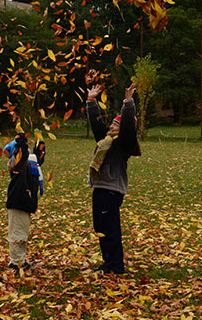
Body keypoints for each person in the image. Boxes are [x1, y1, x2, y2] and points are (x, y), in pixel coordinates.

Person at [86, 81, 141, 275]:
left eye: (116, 125)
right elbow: (96, 124)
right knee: (100, 227)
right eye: (113, 123)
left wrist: (128, 102)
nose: (111, 126)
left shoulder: (125, 144)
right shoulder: (106, 141)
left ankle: (116, 266)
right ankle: (108, 263)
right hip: (100, 187)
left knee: (110, 228)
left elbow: (127, 127)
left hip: (111, 190)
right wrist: (91, 100)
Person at [5, 133, 45, 270]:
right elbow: (21, 157)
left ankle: (20, 259)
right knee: (17, 233)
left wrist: (39, 149)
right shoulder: (17, 165)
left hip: (26, 202)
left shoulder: (30, 163)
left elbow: (37, 162)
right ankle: (15, 261)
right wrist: (20, 145)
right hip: (18, 201)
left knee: (23, 232)